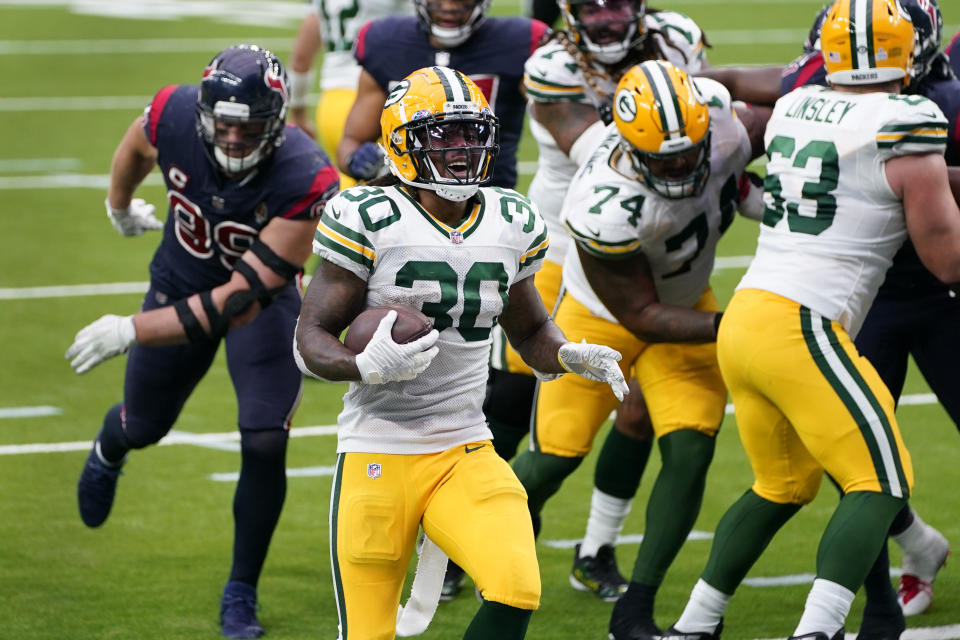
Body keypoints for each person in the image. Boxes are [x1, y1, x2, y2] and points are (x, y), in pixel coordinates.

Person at [293, 65, 628, 640]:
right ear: (402, 143)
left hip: (463, 446)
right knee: (369, 632)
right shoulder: (369, 217)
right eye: (442, 135)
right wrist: (362, 365)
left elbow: (529, 331)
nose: (461, 148)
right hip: (379, 445)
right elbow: (309, 341)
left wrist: (568, 354)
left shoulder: (509, 218)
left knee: (516, 584)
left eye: (471, 132)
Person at [659, 1, 960, 639]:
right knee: (881, 482)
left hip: (747, 316)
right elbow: (948, 260)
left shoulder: (798, 102)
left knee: (782, 484)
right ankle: (815, 632)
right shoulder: (910, 117)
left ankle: (693, 625)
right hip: (805, 325)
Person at [65, 45, 339, 640]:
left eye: (251, 127)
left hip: (258, 303)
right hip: (179, 276)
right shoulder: (173, 112)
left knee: (266, 438)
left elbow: (237, 301)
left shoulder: (306, 174)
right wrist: (118, 205)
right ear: (203, 114)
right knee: (145, 426)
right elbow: (136, 144)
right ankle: (111, 447)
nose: (235, 139)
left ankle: (241, 589)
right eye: (225, 124)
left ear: (278, 122)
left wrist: (128, 329)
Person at [511, 59, 768, 640]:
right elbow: (641, 316)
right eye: (663, 159)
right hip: (602, 318)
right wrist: (738, 325)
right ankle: (457, 541)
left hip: (686, 297)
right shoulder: (602, 205)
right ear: (626, 145)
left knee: (690, 452)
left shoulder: (722, 122)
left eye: (689, 152)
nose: (680, 166)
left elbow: (778, 114)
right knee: (555, 455)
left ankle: (636, 609)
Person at [494, 0, 712, 603]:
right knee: (514, 404)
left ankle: (596, 548)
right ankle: (478, 533)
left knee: (637, 407)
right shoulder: (553, 66)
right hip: (562, 250)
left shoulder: (677, 40)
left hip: (654, 249)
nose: (608, 16)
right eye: (591, 5)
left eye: (619, 2)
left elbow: (698, 127)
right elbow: (603, 151)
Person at [333, 0, 547, 598]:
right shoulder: (385, 42)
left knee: (495, 372)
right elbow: (352, 141)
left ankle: (464, 519)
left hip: (486, 230)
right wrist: (381, 162)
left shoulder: (525, 39)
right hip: (405, 223)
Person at [334, 0, 547, 191]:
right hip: (406, 204)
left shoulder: (518, 43)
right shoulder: (386, 43)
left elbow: (559, 124)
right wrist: (356, 160)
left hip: (487, 200)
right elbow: (352, 140)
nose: (449, 7)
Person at [287, 0, 412, 188]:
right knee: (393, 189)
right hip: (374, 98)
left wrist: (299, 115)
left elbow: (300, 58)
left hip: (330, 104)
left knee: (344, 187)